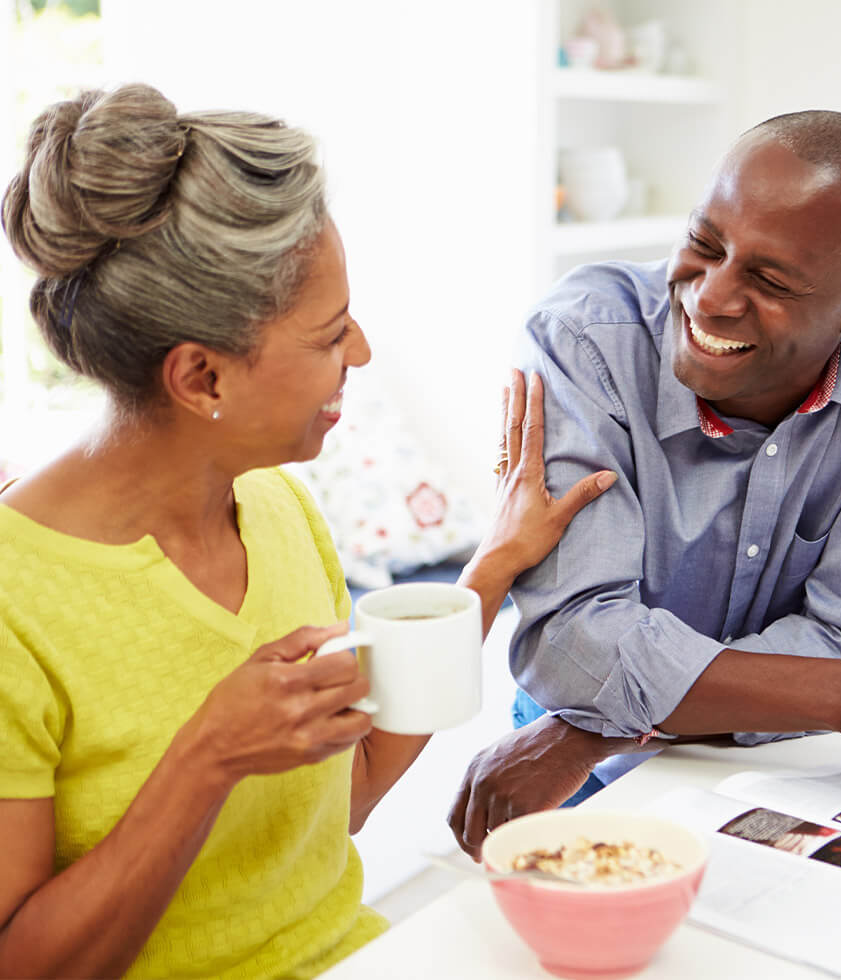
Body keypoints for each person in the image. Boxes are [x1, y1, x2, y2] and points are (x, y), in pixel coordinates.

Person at [0, 84, 615, 978]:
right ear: (202, 378)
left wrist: (499, 562)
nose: (360, 353)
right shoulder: (18, 601)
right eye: (330, 336)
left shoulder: (278, 510)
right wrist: (206, 759)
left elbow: (344, 803)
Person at [449, 110, 841, 860]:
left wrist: (586, 729)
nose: (712, 298)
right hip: (581, 765)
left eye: (768, 280)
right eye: (704, 244)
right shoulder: (580, 341)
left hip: (739, 760)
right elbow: (574, 648)